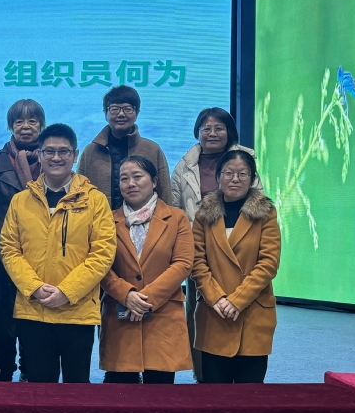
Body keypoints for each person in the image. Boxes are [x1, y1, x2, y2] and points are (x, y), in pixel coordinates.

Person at [0, 124, 116, 383]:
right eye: (49, 151)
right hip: (34, 309)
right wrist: (34, 287)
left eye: (63, 152)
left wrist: (67, 291)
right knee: (40, 389)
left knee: (77, 388)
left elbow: (102, 253)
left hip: (77, 311)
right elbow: (9, 249)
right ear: (40, 155)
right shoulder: (21, 201)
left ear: (75, 156)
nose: (56, 157)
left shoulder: (95, 200)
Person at [170, 106, 260, 382]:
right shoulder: (184, 166)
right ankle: (203, 373)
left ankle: (240, 368)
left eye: (219, 128)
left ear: (229, 131)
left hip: (239, 250)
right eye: (206, 128)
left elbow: (258, 203)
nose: (212, 133)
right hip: (197, 251)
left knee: (242, 304)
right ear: (197, 132)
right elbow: (175, 208)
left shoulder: (246, 160)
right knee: (198, 311)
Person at [99, 156, 194, 383]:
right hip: (120, 314)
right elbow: (100, 265)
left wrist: (145, 299)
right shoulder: (106, 220)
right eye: (124, 179)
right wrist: (127, 294)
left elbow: (182, 263)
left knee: (160, 394)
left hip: (163, 315)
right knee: (121, 392)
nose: (130, 183)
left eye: (137, 176)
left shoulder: (177, 218)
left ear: (154, 181)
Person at [190, 150, 281, 384]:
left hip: (252, 312)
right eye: (228, 173)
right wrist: (217, 298)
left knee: (249, 395)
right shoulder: (203, 214)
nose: (235, 179)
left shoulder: (266, 213)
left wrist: (237, 300)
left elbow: (268, 263)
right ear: (218, 177)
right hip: (214, 312)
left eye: (242, 174)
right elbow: (197, 262)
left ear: (252, 178)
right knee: (214, 394)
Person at [0, 99, 44, 382]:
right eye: (19, 122)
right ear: (11, 126)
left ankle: (29, 376)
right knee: (2, 325)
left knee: (34, 324)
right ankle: (3, 376)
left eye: (32, 121)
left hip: (41, 258)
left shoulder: (52, 162)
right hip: (2, 259)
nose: (26, 127)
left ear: (41, 125)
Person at [77, 85, 170, 210]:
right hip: (98, 221)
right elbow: (79, 193)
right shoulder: (90, 152)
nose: (121, 114)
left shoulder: (152, 149)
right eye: (114, 109)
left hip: (148, 221)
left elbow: (165, 193)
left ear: (136, 113)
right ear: (105, 114)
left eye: (127, 109)